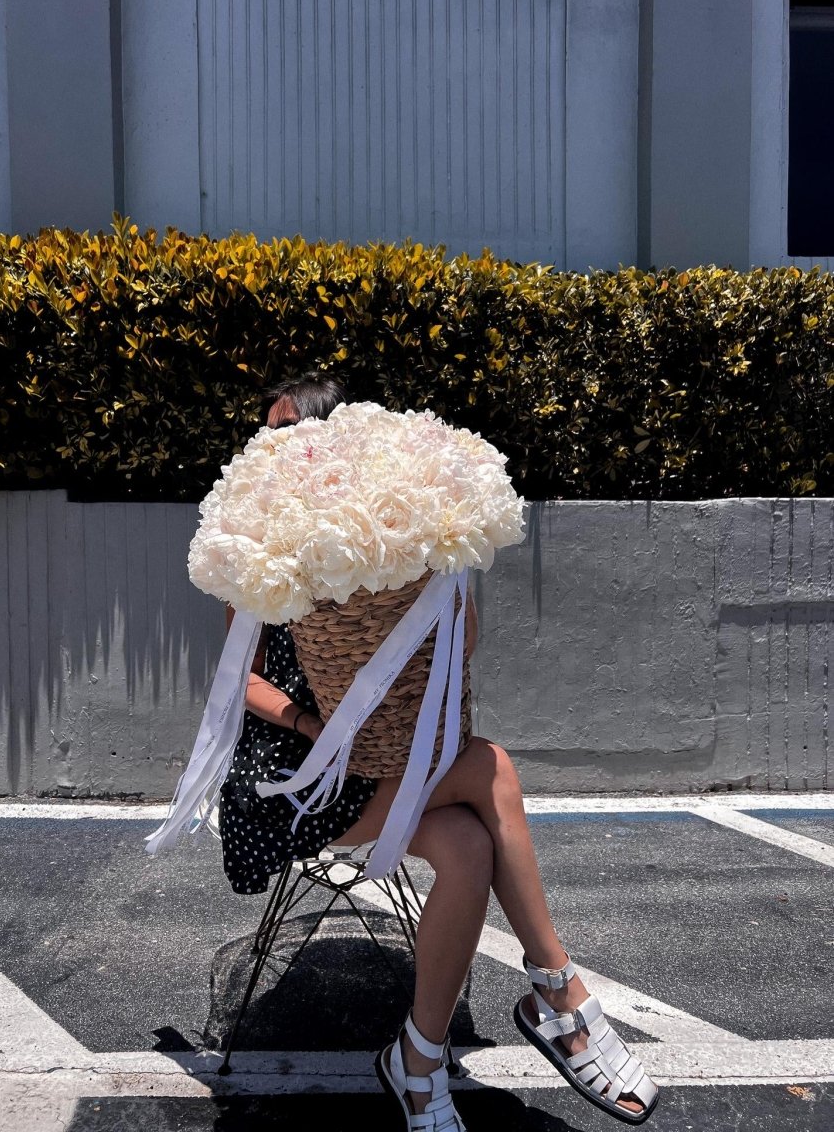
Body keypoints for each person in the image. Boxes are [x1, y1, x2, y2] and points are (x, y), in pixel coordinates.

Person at [218, 372, 659, 1129]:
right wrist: (308, 723)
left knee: (466, 847)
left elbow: (460, 650)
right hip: (291, 775)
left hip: (384, 761)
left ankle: (417, 1061)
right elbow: (237, 680)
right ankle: (558, 992)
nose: (273, 449)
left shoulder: (380, 538)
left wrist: (437, 577)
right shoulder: (261, 543)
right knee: (491, 769)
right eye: (268, 436)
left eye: (288, 433)